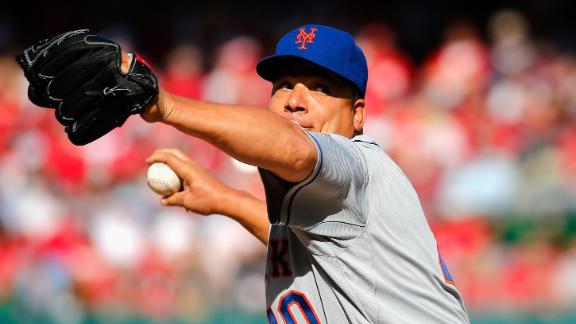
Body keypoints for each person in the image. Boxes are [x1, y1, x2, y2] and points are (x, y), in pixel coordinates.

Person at [141, 24, 469, 323]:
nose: (296, 101)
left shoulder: (357, 165)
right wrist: (225, 199)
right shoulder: (326, 205)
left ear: (357, 115)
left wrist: (164, 105)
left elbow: (293, 147)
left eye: (320, 88)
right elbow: (298, 243)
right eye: (283, 86)